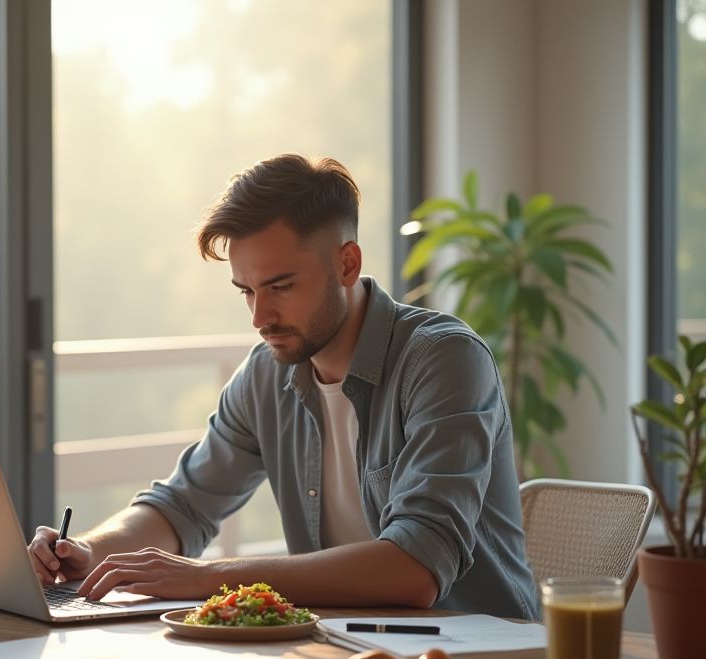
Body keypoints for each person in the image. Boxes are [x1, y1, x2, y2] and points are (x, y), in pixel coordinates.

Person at [29, 154, 539, 620]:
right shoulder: (266, 375)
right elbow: (183, 505)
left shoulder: (443, 360)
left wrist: (209, 579)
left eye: (280, 287)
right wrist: (92, 555)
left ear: (347, 264)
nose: (260, 316)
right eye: (246, 291)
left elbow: (416, 568)